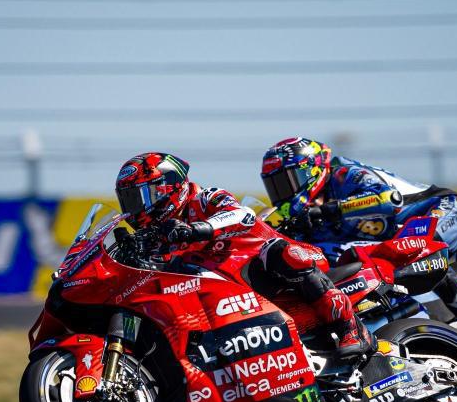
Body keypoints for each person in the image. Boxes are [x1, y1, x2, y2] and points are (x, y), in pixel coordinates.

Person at [114, 151, 372, 357]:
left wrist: (198, 229)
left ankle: (350, 328)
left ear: (167, 188)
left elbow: (243, 215)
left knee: (281, 253)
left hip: (282, 262)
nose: (136, 210)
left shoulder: (205, 198)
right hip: (238, 301)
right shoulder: (161, 236)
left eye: (140, 198)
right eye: (129, 201)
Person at [260, 137, 457, 347]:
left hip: (445, 208)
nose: (283, 193)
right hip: (396, 236)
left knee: (416, 247)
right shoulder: (308, 214)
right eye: (275, 187)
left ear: (310, 171)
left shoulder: (344, 174)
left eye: (286, 182)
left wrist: (331, 210)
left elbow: (388, 199)